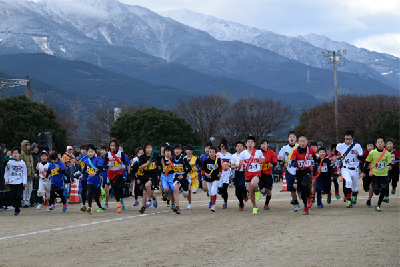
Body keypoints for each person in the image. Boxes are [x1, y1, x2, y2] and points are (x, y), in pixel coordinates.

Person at [333, 130, 364, 208]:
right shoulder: (341, 145)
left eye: (349, 139)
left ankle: (354, 195)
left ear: (353, 138)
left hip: (355, 169)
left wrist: (357, 155)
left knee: (354, 188)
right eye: (346, 139)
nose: (347, 140)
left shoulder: (357, 146)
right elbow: (336, 148)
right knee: (348, 181)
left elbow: (361, 158)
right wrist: (334, 155)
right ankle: (349, 200)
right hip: (346, 168)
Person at [361, 136, 392, 212]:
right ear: (376, 144)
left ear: (384, 144)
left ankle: (378, 205)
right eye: (378, 142)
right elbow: (367, 162)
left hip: (384, 175)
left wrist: (390, 166)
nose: (380, 144)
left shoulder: (387, 153)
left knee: (384, 189)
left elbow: (389, 163)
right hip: (375, 175)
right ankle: (378, 191)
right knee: (376, 191)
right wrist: (363, 172)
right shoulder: (372, 153)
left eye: (381, 142)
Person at [289, 136, 318, 215]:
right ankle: (305, 206)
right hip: (299, 172)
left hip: (307, 171)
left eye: (304, 141)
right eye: (300, 141)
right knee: (301, 192)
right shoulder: (295, 151)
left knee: (305, 184)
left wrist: (315, 163)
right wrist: (294, 163)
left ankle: (309, 197)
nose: (302, 143)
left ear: (307, 142)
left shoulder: (311, 150)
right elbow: (292, 161)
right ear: (298, 142)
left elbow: (315, 159)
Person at [238, 136, 265, 215]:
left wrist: (261, 161)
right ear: (246, 144)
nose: (250, 144)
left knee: (254, 184)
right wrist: (238, 165)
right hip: (247, 174)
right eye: (248, 142)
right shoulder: (243, 153)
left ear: (254, 144)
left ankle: (257, 191)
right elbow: (239, 162)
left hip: (256, 173)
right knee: (250, 192)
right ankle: (255, 207)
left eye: (252, 142)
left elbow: (262, 159)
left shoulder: (258, 152)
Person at [103, 139, 129, 213]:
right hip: (110, 173)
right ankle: (119, 202)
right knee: (115, 188)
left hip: (119, 172)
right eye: (111, 145)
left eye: (114, 145)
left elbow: (125, 162)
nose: (112, 147)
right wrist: (108, 165)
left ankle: (119, 203)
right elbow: (104, 165)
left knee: (115, 185)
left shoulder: (121, 154)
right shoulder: (107, 154)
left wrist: (124, 165)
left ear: (117, 146)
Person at [278, 131, 301, 212]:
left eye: (294, 137)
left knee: (297, 186)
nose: (292, 138)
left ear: (296, 139)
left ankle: (301, 193)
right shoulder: (284, 148)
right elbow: (280, 158)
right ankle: (296, 204)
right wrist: (282, 163)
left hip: (298, 170)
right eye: (290, 137)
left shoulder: (299, 147)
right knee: (292, 189)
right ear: (288, 139)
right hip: (289, 171)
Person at [138, 141, 161, 214]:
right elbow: (139, 167)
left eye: (150, 147)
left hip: (153, 176)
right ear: (144, 149)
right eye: (148, 148)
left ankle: (149, 200)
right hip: (145, 176)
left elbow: (161, 161)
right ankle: (144, 206)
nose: (149, 149)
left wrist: (158, 168)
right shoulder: (142, 157)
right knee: (145, 192)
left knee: (147, 186)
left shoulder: (155, 155)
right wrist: (146, 164)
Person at [4, 147, 27, 215]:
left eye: (16, 153)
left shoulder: (22, 163)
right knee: (13, 196)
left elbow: (24, 173)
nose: (15, 154)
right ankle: (16, 207)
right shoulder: (10, 162)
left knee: (18, 196)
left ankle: (17, 209)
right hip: (12, 182)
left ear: (19, 154)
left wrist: (24, 182)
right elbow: (7, 171)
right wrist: (6, 180)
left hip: (19, 182)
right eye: (13, 153)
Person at [171, 144, 192, 214]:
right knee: (176, 190)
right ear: (174, 150)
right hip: (177, 176)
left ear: (181, 150)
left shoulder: (183, 158)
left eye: (178, 149)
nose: (177, 151)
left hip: (185, 177)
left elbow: (189, 168)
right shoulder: (172, 159)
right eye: (175, 149)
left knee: (185, 195)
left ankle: (187, 190)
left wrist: (183, 175)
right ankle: (177, 207)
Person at [83, 144, 104, 215]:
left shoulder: (97, 160)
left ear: (95, 152)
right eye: (89, 152)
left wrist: (95, 173)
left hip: (97, 179)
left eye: (92, 151)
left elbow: (101, 169)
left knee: (96, 196)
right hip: (90, 179)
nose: (90, 153)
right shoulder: (86, 161)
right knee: (89, 192)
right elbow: (85, 169)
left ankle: (100, 207)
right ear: (87, 152)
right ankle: (90, 208)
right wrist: (81, 175)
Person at [201, 146, 222, 212]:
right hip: (208, 179)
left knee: (213, 191)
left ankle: (213, 205)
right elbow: (202, 169)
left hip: (215, 178)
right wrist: (205, 174)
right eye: (210, 152)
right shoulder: (206, 160)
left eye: (213, 152)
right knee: (210, 192)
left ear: (216, 153)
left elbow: (220, 167)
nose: (211, 153)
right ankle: (213, 200)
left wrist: (220, 173)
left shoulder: (218, 160)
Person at [260, 139, 278, 210]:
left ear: (267, 145)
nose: (263, 146)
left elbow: (275, 161)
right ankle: (259, 190)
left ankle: (266, 204)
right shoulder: (258, 153)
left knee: (269, 191)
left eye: (264, 144)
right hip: (260, 174)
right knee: (262, 191)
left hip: (268, 174)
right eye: (261, 144)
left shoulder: (271, 152)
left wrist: (272, 165)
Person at [230, 141, 247, 211]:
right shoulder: (233, 156)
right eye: (238, 146)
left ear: (243, 147)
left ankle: (245, 194)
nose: (239, 148)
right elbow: (232, 166)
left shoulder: (246, 155)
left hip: (244, 173)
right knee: (237, 192)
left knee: (241, 185)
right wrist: (236, 166)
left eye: (241, 146)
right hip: (237, 173)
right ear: (235, 148)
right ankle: (241, 203)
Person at [185, 144, 202, 210]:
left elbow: (201, 165)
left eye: (190, 150)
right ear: (185, 151)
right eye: (187, 150)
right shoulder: (184, 158)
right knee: (188, 190)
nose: (188, 151)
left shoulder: (195, 158)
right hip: (187, 176)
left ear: (192, 151)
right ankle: (190, 204)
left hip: (194, 176)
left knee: (194, 191)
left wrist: (198, 169)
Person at [360, 140, 375, 207]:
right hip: (366, 172)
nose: (369, 147)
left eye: (371, 146)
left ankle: (368, 200)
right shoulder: (365, 153)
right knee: (366, 189)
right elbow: (361, 163)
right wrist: (363, 172)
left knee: (371, 186)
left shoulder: (376, 153)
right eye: (368, 146)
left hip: (374, 172)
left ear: (374, 146)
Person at [217, 139, 231, 209]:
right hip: (220, 173)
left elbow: (233, 164)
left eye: (224, 146)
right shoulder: (217, 155)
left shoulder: (230, 155)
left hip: (226, 173)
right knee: (220, 190)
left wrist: (230, 164)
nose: (223, 148)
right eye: (221, 146)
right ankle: (222, 193)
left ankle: (225, 203)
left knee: (225, 189)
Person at [20, 140, 34, 208]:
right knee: (25, 190)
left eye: (29, 145)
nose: (28, 147)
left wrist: (33, 172)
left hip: (30, 175)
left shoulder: (30, 154)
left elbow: (32, 165)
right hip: (25, 176)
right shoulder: (22, 153)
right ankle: (24, 202)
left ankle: (27, 201)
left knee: (30, 189)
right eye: (27, 145)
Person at [78, 145, 89, 211]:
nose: (83, 151)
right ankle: (83, 205)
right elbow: (80, 167)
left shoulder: (88, 157)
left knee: (91, 190)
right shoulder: (80, 158)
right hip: (83, 176)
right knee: (83, 190)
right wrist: (79, 173)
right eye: (82, 149)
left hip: (90, 175)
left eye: (84, 149)